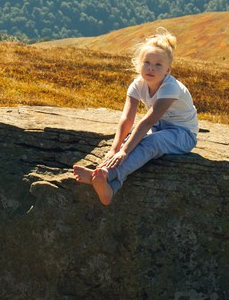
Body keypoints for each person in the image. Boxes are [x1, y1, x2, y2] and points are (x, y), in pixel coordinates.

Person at [73, 29, 198, 205]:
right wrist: (115, 148)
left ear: (167, 70)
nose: (151, 68)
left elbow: (148, 121)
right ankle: (106, 183)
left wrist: (124, 152)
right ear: (139, 64)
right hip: (158, 128)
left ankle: (104, 176)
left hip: (183, 134)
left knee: (150, 143)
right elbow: (127, 119)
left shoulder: (171, 87)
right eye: (147, 62)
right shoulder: (137, 85)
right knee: (130, 141)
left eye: (158, 65)